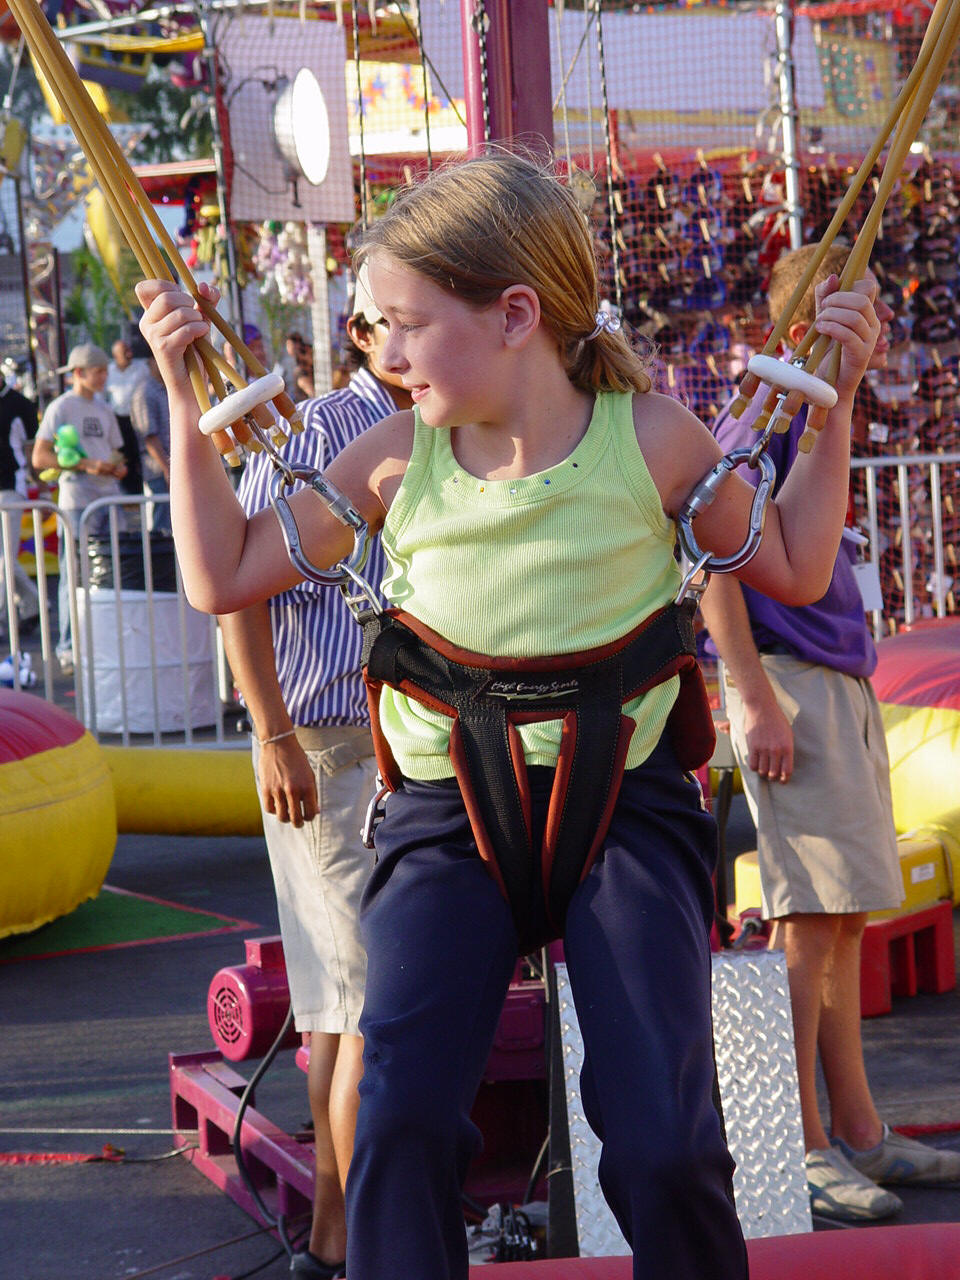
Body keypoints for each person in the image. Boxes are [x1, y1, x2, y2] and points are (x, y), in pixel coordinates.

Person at [137, 152, 882, 1280]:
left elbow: (793, 557)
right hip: (445, 817)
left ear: (514, 316)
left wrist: (838, 405)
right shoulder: (397, 459)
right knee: (396, 1122)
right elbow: (224, 573)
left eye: (405, 323)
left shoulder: (655, 439)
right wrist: (188, 410)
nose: (383, 353)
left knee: (667, 1140)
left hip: (625, 815)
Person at [699, 242, 960, 1223]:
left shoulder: (807, 414)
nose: (877, 331)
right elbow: (713, 564)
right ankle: (802, 1140)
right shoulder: (758, 419)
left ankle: (855, 1123)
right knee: (809, 919)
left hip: (836, 679)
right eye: (860, 314)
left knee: (846, 913)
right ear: (809, 321)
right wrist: (753, 695)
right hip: (794, 684)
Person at [216, 271, 411, 1279]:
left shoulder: (423, 427)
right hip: (329, 740)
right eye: (399, 321)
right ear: (360, 331)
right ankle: (352, 1235)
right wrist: (271, 731)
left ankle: (338, 1237)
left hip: (374, 739)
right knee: (365, 1005)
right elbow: (236, 589)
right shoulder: (323, 428)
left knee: (342, 1004)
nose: (415, 340)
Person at [32, 343, 127, 672]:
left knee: (109, 573)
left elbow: (116, 451)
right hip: (77, 502)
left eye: (104, 370)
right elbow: (40, 458)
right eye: (97, 371)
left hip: (108, 498)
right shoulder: (61, 407)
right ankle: (69, 647)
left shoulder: (104, 408)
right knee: (73, 575)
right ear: (78, 373)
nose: (103, 376)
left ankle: (101, 640)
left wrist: (116, 467)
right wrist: (88, 465)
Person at [0, 370, 40, 640]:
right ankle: (35, 604)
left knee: (5, 559)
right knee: (5, 559)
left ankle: (2, 618)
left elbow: (30, 448)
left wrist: (41, 485)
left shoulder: (21, 404)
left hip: (10, 488)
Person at [130, 353, 172, 534]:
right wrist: (167, 469)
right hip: (158, 472)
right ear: (151, 360)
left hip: (171, 468)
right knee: (162, 526)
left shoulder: (166, 388)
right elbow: (149, 437)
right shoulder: (144, 392)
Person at [104, 336, 146, 497]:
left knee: (138, 453)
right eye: (124, 352)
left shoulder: (141, 369)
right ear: (116, 355)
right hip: (118, 420)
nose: (129, 354)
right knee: (122, 455)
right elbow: (102, 396)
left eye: (129, 350)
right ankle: (126, 492)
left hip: (137, 417)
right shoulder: (109, 372)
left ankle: (137, 490)